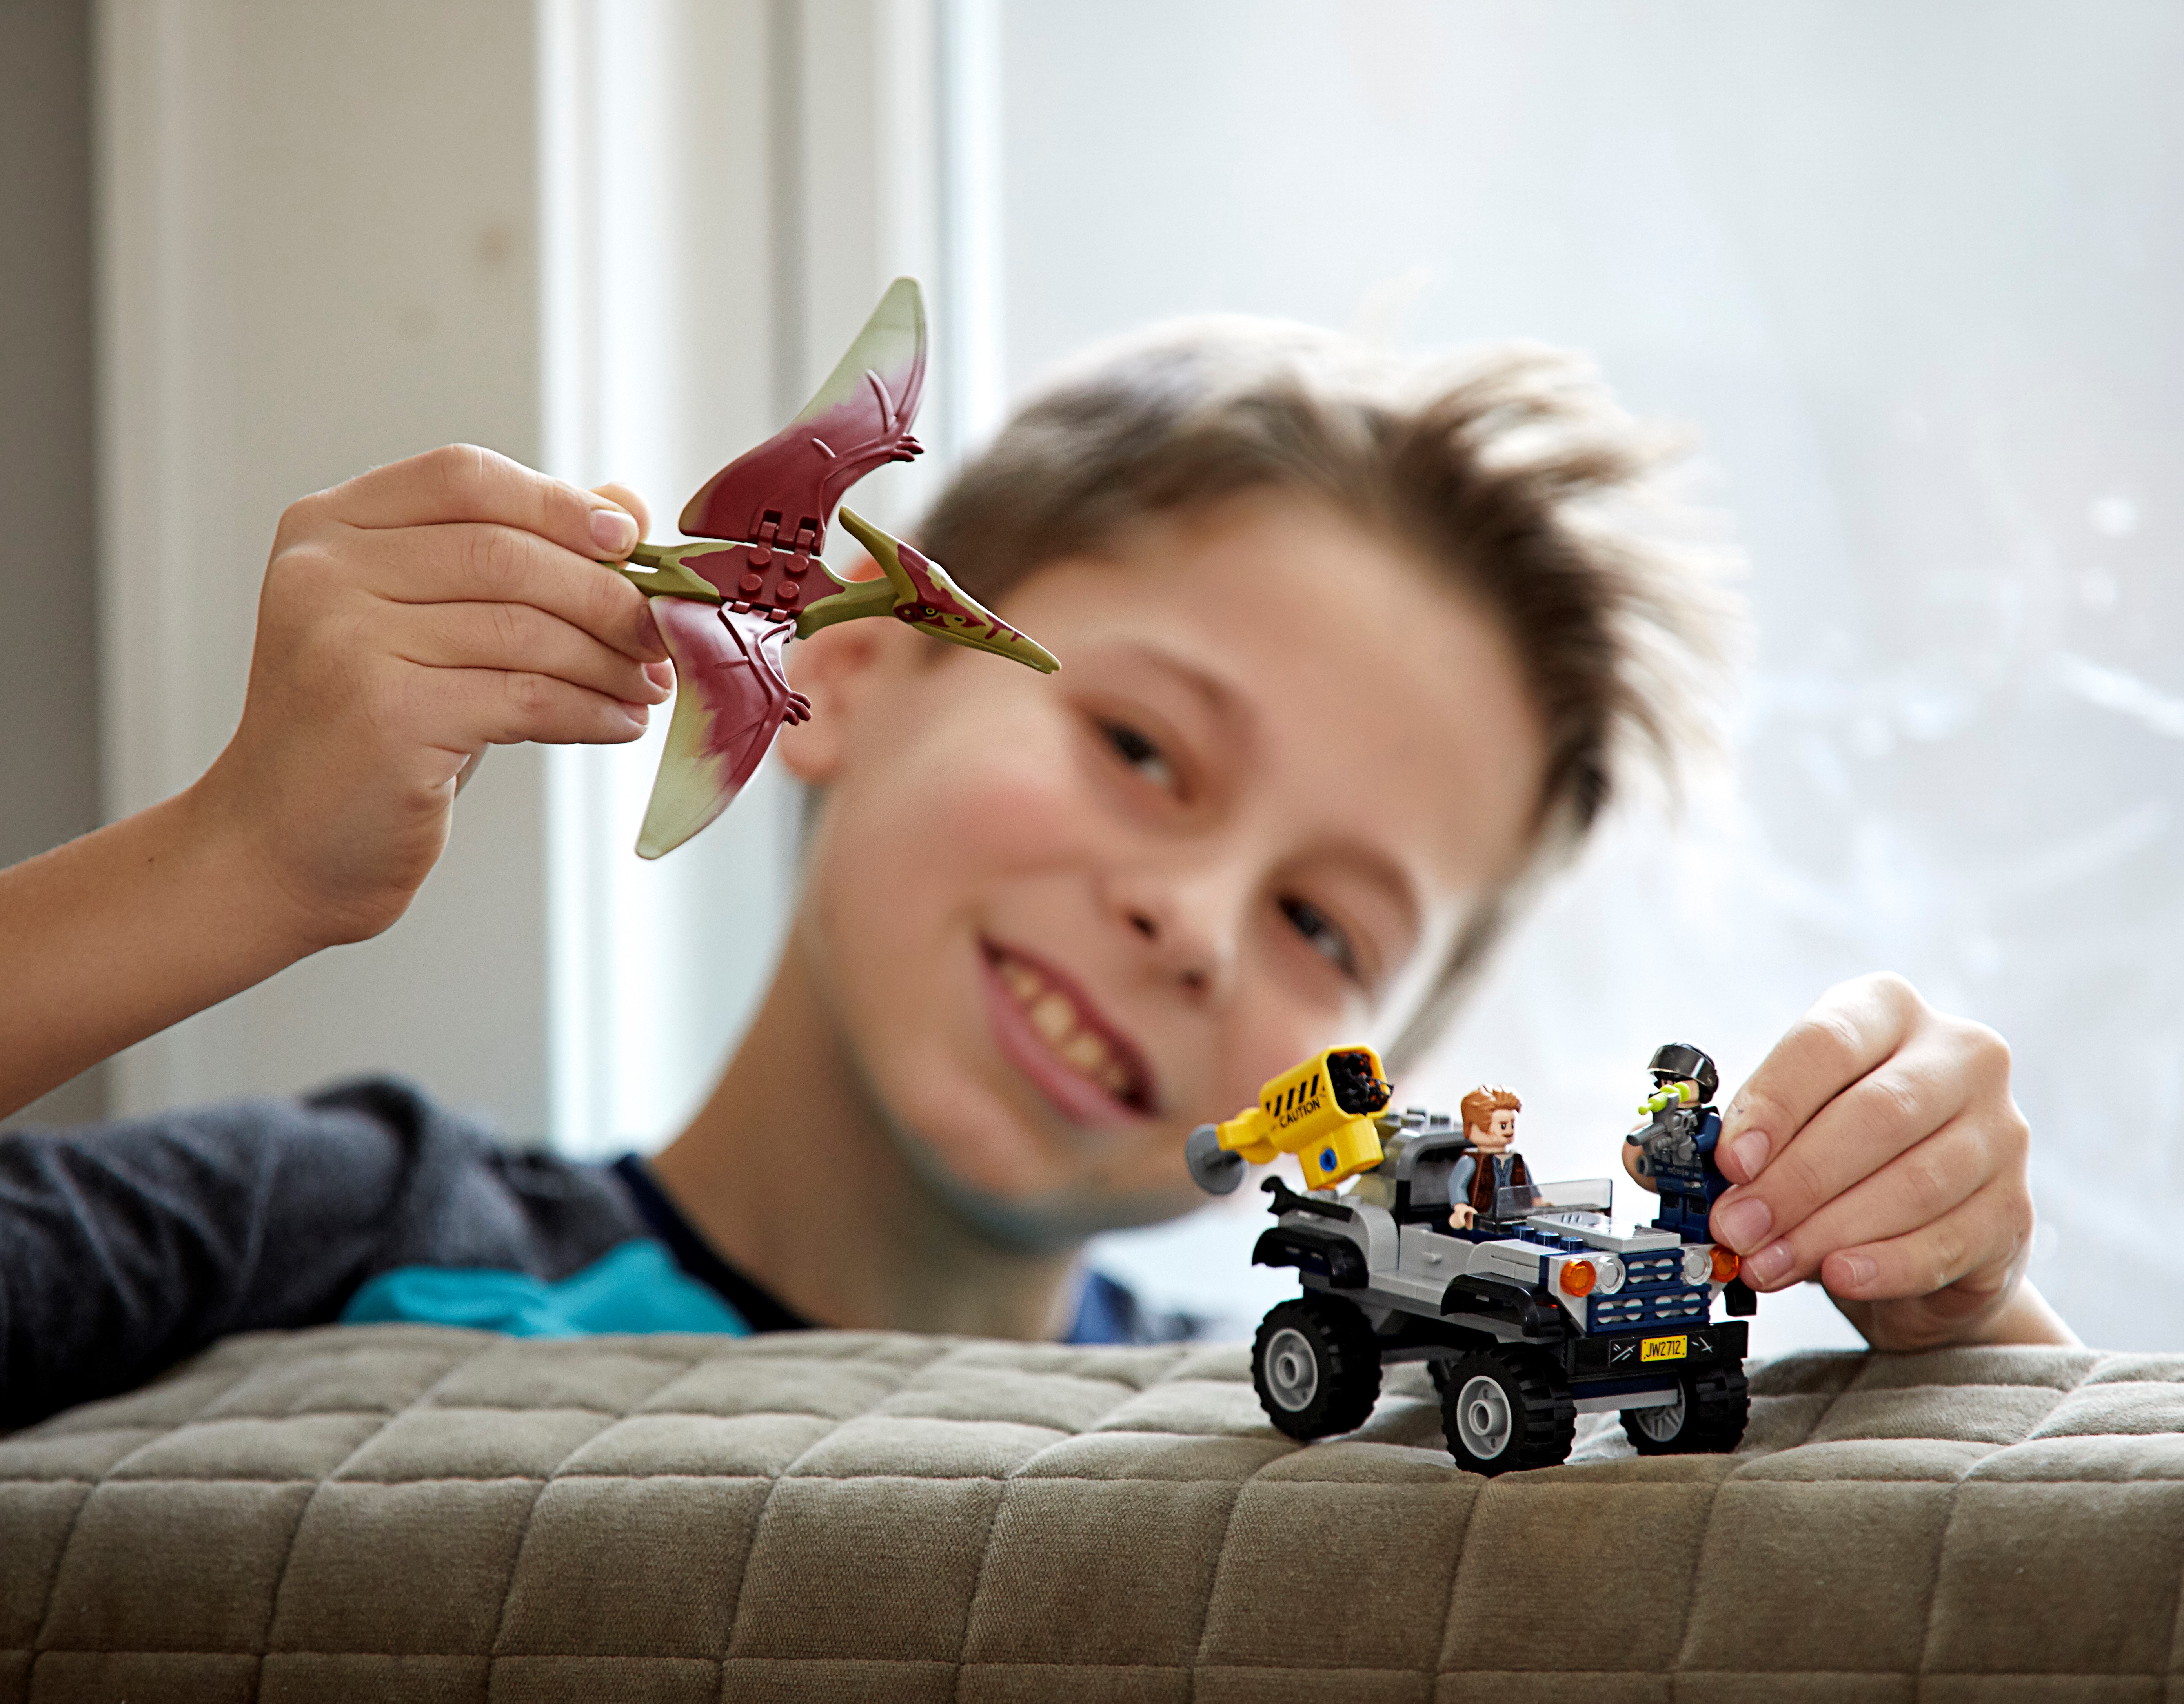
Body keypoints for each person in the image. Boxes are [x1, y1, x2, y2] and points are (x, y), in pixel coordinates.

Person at [0, 321, 2075, 1429]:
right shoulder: (329, 1233)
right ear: (844, 667)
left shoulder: (1309, 1434)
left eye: (1320, 924)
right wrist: (229, 862)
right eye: (1141, 748)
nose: (1193, 916)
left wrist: (1959, 1317)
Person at [1621, 1043, 1726, 1240]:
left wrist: (1693, 1144)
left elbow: (1710, 1137)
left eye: (1678, 1083)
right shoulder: (1664, 1117)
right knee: (1670, 1201)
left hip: (1700, 1176)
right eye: (1665, 1082)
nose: (1669, 1088)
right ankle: (1666, 1229)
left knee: (1698, 1206)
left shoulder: (1708, 1118)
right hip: (1670, 1174)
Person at [1445, 1085, 1544, 1231]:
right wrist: (1461, 1208)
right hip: (1484, 1222)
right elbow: (1456, 1185)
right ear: (1475, 1128)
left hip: (1517, 1220)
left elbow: (1529, 1186)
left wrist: (1538, 1202)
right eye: (1503, 1126)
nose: (1509, 1130)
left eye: (1512, 1124)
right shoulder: (1470, 1162)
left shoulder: (1517, 1161)